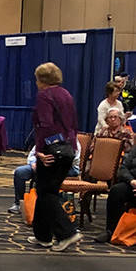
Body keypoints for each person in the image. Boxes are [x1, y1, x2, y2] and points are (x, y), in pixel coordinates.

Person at [29, 62, 81, 252]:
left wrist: (41, 150)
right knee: (45, 190)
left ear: (41, 79)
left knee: (46, 193)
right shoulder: (66, 94)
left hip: (52, 150)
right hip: (68, 148)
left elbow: (46, 125)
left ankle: (67, 232)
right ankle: (42, 235)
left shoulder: (45, 95)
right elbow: (72, 124)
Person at [94, 142, 136, 244]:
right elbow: (123, 168)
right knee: (116, 191)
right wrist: (131, 181)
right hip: (133, 183)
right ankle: (111, 231)